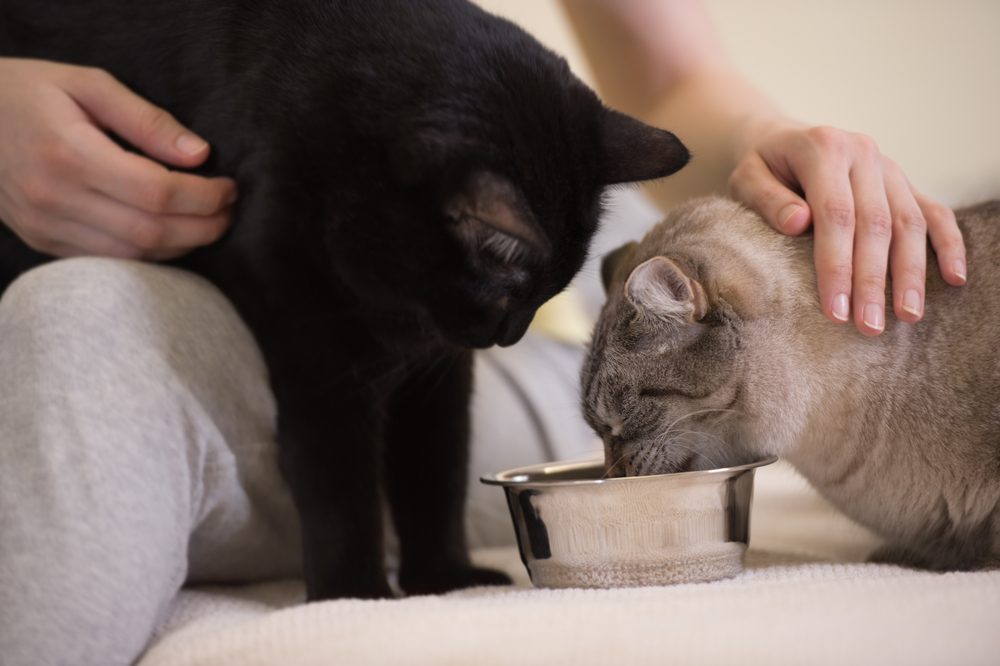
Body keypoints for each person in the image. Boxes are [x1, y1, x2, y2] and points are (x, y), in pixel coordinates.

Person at [0, 2, 969, 665]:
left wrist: (772, 139)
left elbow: (670, 88)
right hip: (164, 299)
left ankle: (571, 374)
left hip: (449, 311)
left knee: (82, 325)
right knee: (71, 324)